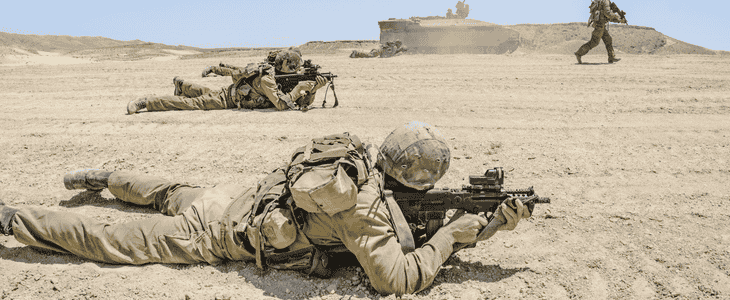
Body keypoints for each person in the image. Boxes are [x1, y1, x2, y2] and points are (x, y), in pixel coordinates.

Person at [0, 122, 531, 296]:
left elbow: (415, 226)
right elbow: (396, 280)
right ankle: (10, 218)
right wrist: (454, 237)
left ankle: (107, 176)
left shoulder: (358, 167)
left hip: (230, 197)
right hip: (217, 232)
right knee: (112, 240)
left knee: (169, 190)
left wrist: (479, 227)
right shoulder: (362, 206)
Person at [126, 49, 327, 113]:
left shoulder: (278, 75)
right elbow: (283, 105)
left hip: (232, 93)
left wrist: (313, 88)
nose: (295, 71)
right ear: (284, 65)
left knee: (205, 93)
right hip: (230, 100)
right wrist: (302, 87)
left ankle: (182, 85)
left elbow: (299, 103)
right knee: (193, 104)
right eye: (293, 68)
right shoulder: (268, 78)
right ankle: (147, 102)